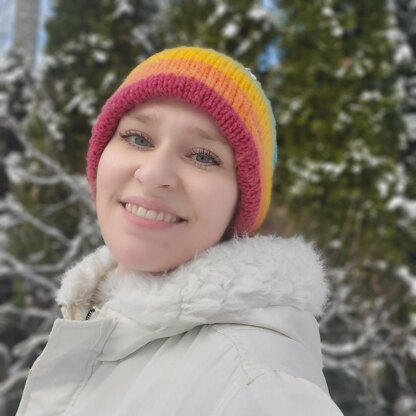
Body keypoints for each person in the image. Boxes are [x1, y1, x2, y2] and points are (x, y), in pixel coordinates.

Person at [16, 46, 344, 416]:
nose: (154, 174)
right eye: (138, 138)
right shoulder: (102, 324)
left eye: (203, 156)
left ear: (240, 202)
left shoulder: (258, 383)